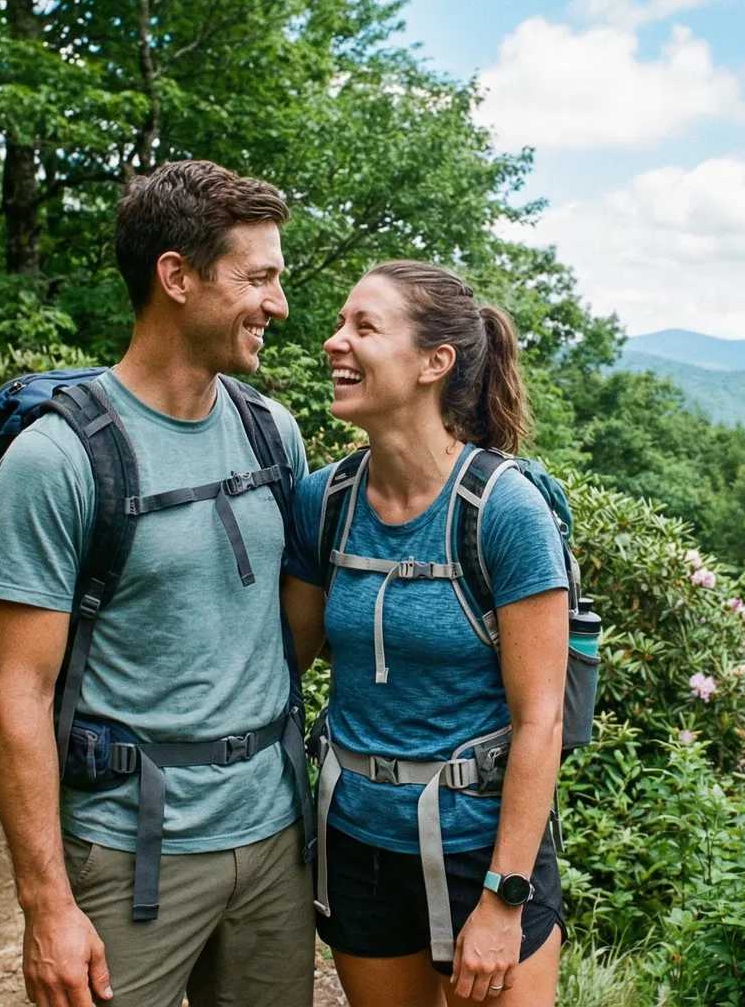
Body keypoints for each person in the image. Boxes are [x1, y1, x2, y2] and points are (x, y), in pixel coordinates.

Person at [0, 160, 315, 1007]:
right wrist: (47, 905)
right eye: (259, 278)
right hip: (128, 850)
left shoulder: (274, 432)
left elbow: (291, 631)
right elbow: (18, 691)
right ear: (176, 276)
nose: (278, 303)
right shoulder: (55, 459)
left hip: (276, 838)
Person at [282, 261, 569, 1006]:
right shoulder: (325, 502)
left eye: (364, 328)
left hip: (482, 847)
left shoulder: (502, 511)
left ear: (434, 363)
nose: (334, 342)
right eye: (341, 324)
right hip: (358, 845)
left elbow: (541, 719)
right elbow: (284, 659)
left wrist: (505, 900)